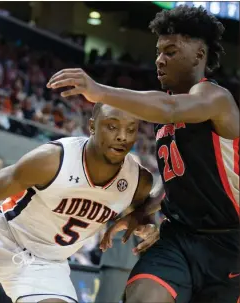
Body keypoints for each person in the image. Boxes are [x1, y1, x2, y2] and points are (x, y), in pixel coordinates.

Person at [47, 5, 239, 303]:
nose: (160, 60)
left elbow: (170, 107)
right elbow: (181, 178)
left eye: (171, 52)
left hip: (230, 243)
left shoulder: (216, 99)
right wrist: (145, 208)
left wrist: (99, 90)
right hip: (179, 237)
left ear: (199, 56)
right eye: (158, 52)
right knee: (144, 296)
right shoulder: (165, 112)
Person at [0, 104, 164, 303]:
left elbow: (141, 213)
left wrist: (146, 224)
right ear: (92, 126)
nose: (122, 136)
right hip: (0, 239)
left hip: (48, 261)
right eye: (112, 126)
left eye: (131, 129)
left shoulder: (137, 180)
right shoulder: (53, 160)